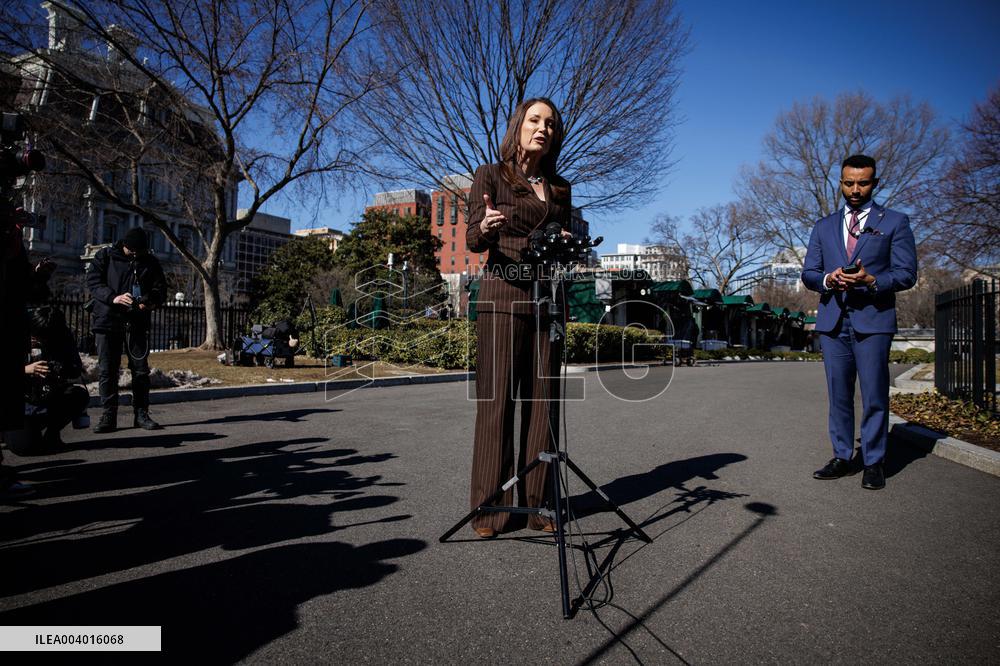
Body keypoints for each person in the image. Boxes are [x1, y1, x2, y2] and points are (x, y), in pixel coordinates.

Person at [465, 97, 573, 538]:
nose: (542, 128)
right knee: (497, 404)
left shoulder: (561, 189)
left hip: (548, 301)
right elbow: (473, 236)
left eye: (550, 123)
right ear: (519, 127)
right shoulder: (489, 176)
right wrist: (486, 227)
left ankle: (540, 504)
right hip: (503, 297)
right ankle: (490, 510)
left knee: (543, 404)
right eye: (534, 120)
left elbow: (563, 247)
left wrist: (566, 241)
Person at [801, 154, 917, 490]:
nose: (855, 189)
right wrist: (828, 279)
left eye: (862, 182)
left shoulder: (895, 222)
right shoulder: (823, 226)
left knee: (875, 394)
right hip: (833, 321)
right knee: (838, 395)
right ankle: (841, 456)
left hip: (874, 320)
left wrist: (871, 281)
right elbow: (809, 273)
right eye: (849, 182)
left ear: (874, 183)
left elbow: (907, 274)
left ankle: (874, 461)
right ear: (840, 182)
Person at [86, 227, 167, 432]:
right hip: (107, 320)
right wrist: (114, 297)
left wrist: (148, 301)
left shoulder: (150, 262)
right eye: (133, 251)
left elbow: (160, 289)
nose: (136, 255)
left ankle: (141, 413)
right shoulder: (105, 256)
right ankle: (108, 414)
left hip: (136, 322)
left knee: (140, 371)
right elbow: (94, 282)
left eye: (140, 251)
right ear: (125, 245)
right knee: (108, 370)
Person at [21, 306, 89, 451]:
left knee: (79, 395)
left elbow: (75, 368)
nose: (37, 340)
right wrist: (26, 369)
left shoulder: (62, 336)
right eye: (35, 335)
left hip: (48, 394)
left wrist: (58, 367)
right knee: (25, 448)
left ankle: (52, 433)